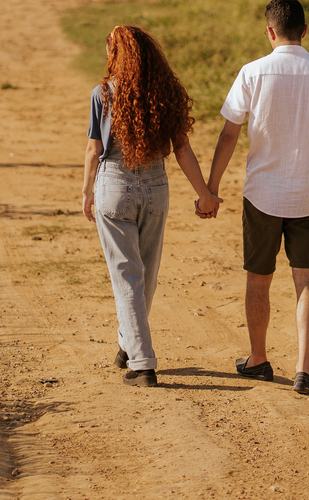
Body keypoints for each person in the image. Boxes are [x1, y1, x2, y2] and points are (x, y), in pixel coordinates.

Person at [201, 0, 309, 397]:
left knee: (258, 278)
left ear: (270, 31)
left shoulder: (252, 72)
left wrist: (211, 188)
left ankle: (258, 359)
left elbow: (229, 134)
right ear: (305, 30)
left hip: (262, 196)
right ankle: (304, 370)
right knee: (307, 279)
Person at [82, 25, 222, 388]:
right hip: (156, 187)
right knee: (146, 274)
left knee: (127, 275)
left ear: (116, 54)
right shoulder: (167, 93)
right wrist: (205, 194)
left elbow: (94, 150)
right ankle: (127, 344)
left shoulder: (103, 93)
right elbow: (182, 149)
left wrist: (86, 191)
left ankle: (142, 363)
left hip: (114, 186)